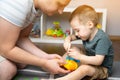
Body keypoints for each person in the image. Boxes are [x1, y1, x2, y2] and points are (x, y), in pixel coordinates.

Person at [0, 0, 71, 80]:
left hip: (3, 42)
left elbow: (22, 38)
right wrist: (44, 63)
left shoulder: (38, 9)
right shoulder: (19, 3)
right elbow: (6, 49)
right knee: (8, 69)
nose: (61, 11)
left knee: (22, 62)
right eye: (59, 4)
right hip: (3, 46)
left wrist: (45, 57)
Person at [55, 5, 114, 80]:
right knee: (72, 49)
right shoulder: (86, 33)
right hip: (89, 60)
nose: (76, 34)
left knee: (84, 69)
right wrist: (67, 40)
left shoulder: (102, 39)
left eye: (77, 30)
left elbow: (98, 61)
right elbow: (71, 37)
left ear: (90, 25)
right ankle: (61, 65)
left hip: (102, 69)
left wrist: (79, 56)